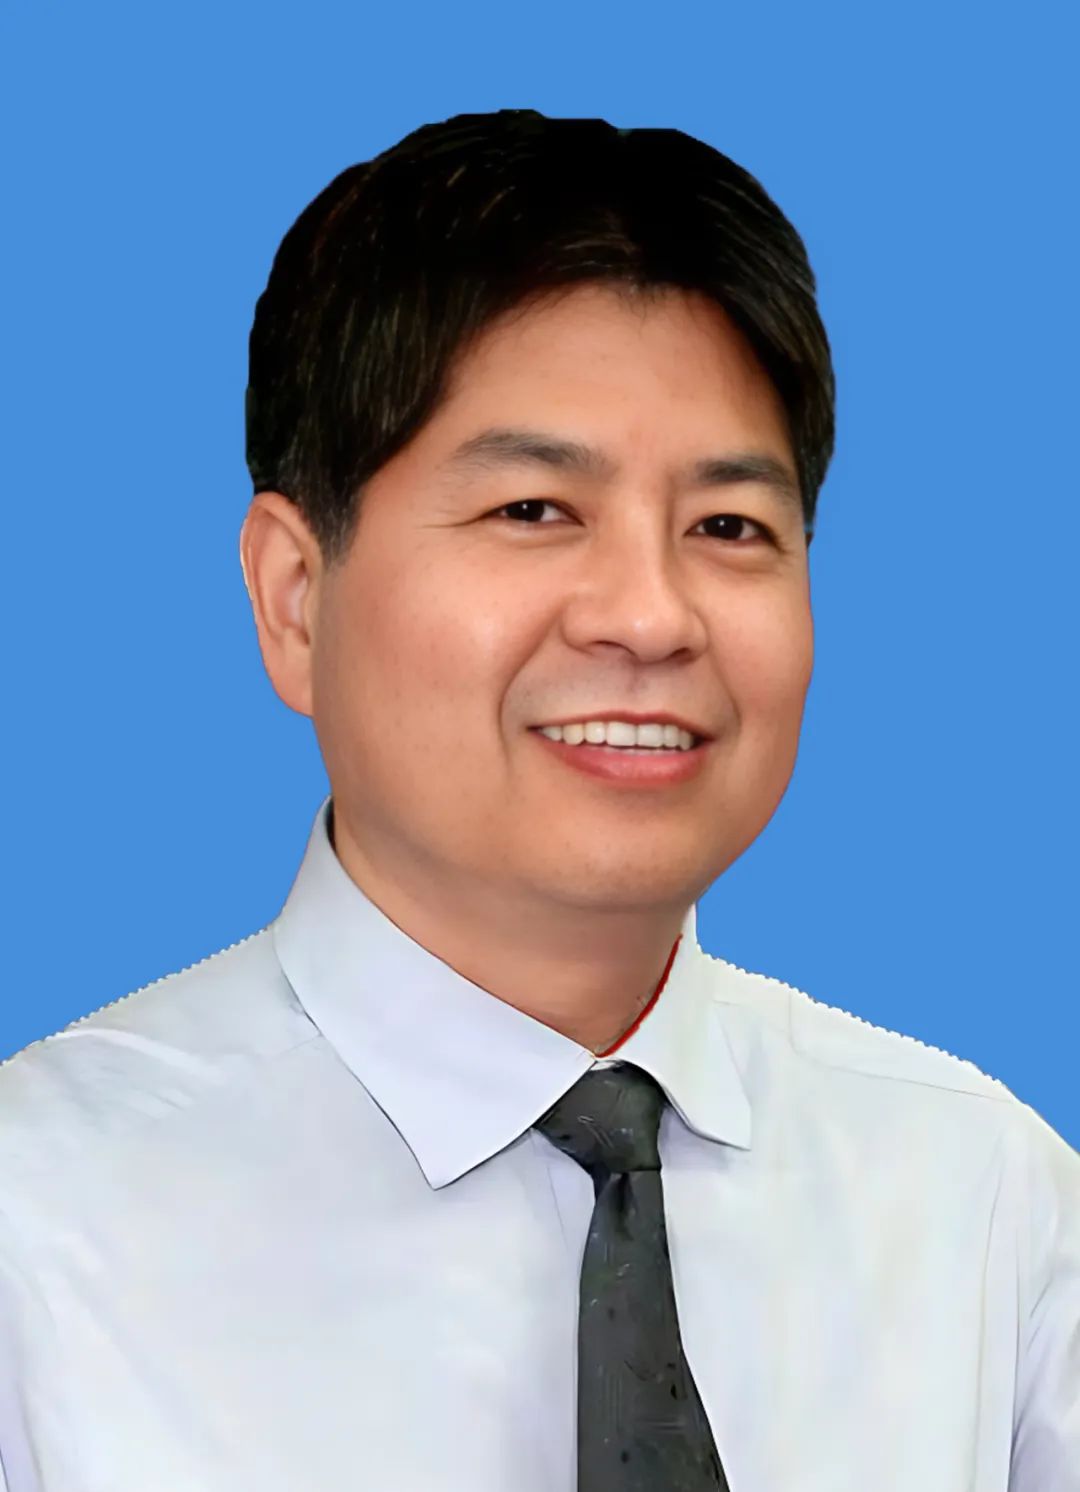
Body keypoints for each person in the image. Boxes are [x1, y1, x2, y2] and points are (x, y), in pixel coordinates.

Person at [0, 109, 1075, 1492]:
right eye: (533, 510)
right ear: (295, 597)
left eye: (729, 527)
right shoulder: (40, 1228)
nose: (651, 615)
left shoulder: (986, 1204)